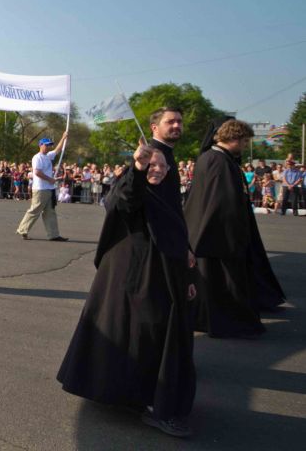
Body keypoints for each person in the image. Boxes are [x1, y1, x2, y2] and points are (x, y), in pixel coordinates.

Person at [57, 141, 197, 438]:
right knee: (139, 333)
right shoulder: (134, 186)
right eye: (151, 165)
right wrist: (136, 168)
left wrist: (189, 276)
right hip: (131, 273)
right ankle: (146, 401)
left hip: (162, 277)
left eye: (162, 166)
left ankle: (148, 398)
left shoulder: (168, 197)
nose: (156, 170)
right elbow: (126, 200)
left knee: (151, 336)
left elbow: (176, 235)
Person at [185, 118, 286, 338]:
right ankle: (228, 324)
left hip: (210, 233)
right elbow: (221, 202)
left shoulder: (213, 158)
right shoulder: (219, 161)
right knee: (224, 286)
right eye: (243, 141)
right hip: (219, 235)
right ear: (234, 138)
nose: (244, 146)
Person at [16, 133, 69, 241]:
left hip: (49, 189)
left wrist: (63, 137)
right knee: (35, 210)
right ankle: (23, 230)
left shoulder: (48, 156)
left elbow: (58, 150)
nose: (48, 147)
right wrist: (50, 179)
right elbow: (37, 172)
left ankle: (53, 235)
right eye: (46, 145)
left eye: (49, 145)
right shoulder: (37, 157)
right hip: (40, 189)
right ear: (40, 145)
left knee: (50, 212)